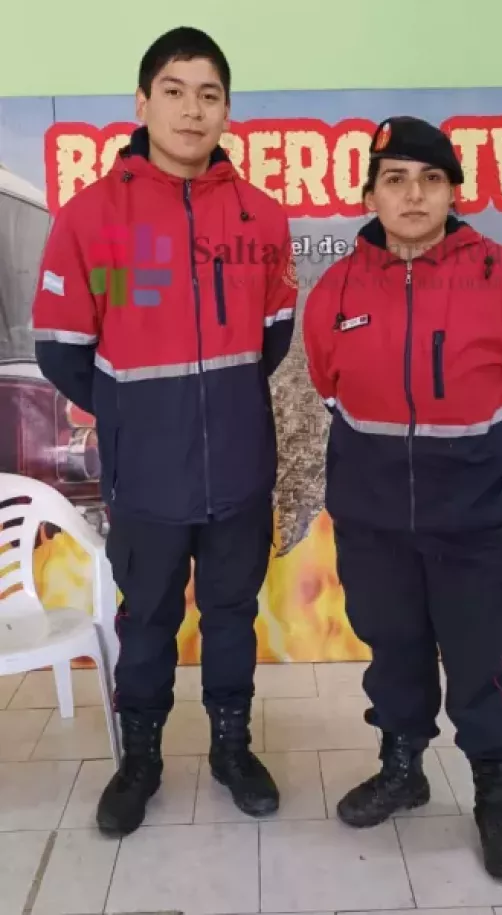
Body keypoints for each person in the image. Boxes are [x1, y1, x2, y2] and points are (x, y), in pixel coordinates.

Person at [31, 26, 297, 836]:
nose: (192, 109)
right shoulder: (91, 219)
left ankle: (229, 746)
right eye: (175, 91)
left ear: (226, 112)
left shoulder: (261, 218)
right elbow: (63, 351)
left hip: (241, 471)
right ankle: (140, 757)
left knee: (231, 613)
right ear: (142, 102)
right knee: (143, 619)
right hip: (145, 473)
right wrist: (140, 415)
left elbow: (273, 336)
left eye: (209, 94)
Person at [303, 115, 502, 883]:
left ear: (453, 190)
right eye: (395, 179)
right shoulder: (337, 291)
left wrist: (482, 462)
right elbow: (328, 389)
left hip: (480, 522)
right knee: (396, 654)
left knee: (480, 661)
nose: (413, 195)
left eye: (430, 179)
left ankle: (496, 791)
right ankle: (403, 766)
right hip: (375, 524)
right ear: (372, 194)